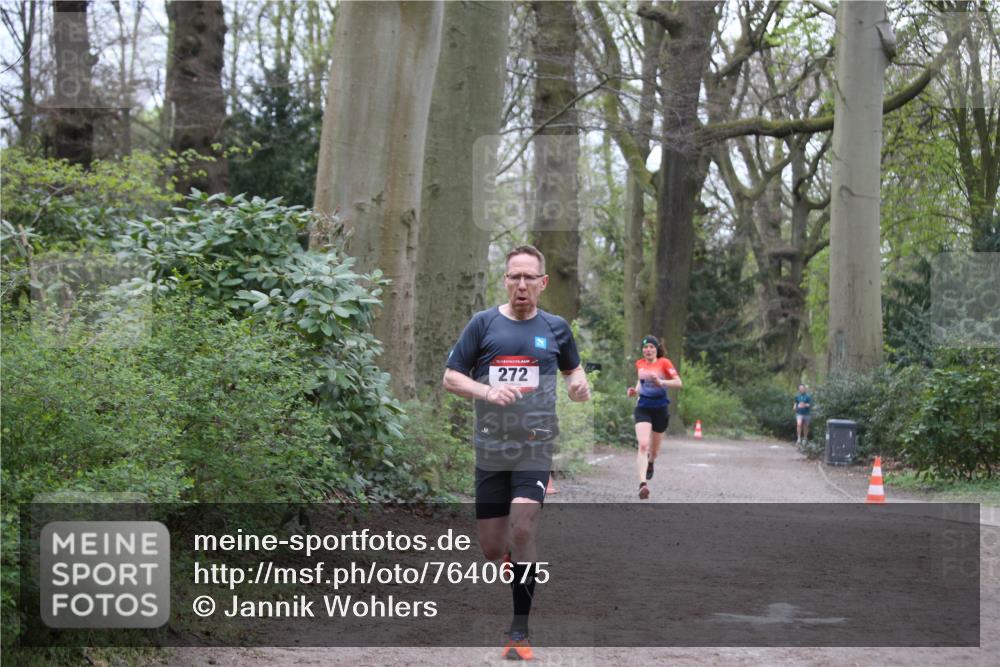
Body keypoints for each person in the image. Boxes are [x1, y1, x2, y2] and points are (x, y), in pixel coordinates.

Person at [442, 244, 591, 660]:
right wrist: (487, 389)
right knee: (493, 548)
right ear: (505, 281)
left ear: (543, 283)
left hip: (535, 445)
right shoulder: (483, 324)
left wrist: (579, 386)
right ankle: (509, 555)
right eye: (514, 277)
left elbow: (574, 372)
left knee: (524, 528)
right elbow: (451, 377)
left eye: (529, 278)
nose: (522, 285)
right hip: (491, 446)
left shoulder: (557, 328)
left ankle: (519, 631)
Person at [627, 335, 682, 500]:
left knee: (654, 450)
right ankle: (642, 484)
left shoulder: (664, 363)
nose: (648, 350)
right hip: (643, 407)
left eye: (651, 347)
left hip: (660, 408)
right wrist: (634, 391)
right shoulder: (640, 363)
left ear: (656, 349)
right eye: (645, 347)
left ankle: (651, 462)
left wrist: (663, 383)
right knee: (643, 444)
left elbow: (679, 383)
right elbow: (640, 382)